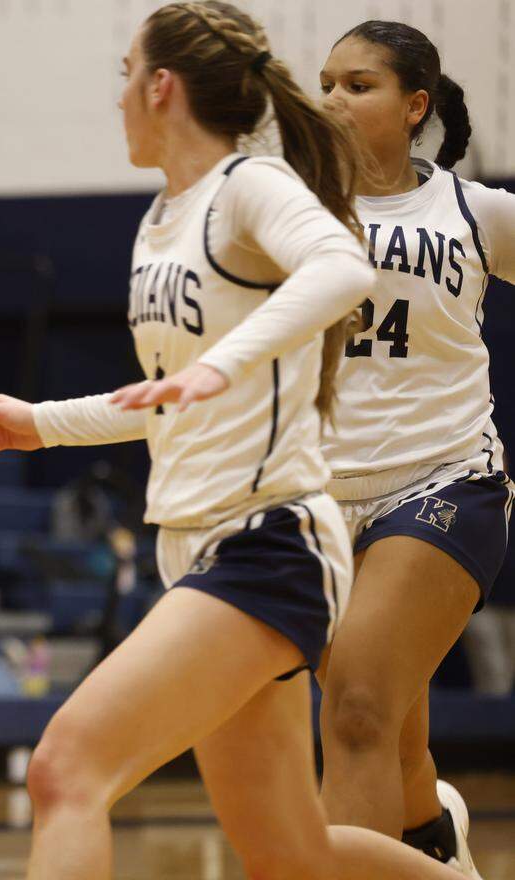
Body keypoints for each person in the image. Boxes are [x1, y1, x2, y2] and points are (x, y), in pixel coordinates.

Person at [0, 3, 469, 878]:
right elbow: (167, 397)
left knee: (66, 769)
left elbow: (343, 268)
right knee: (286, 851)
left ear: (162, 87)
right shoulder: (163, 220)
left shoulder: (248, 186)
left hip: (269, 542)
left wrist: (223, 364)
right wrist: (41, 423)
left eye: (125, 76)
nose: (117, 99)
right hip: (193, 545)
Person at [316, 21, 515, 877]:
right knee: (391, 741)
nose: (333, 99)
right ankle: (437, 845)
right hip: (316, 494)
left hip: (443, 478)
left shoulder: (474, 211)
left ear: (415, 106)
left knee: (357, 711)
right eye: (325, 82)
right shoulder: (282, 209)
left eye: (358, 85)